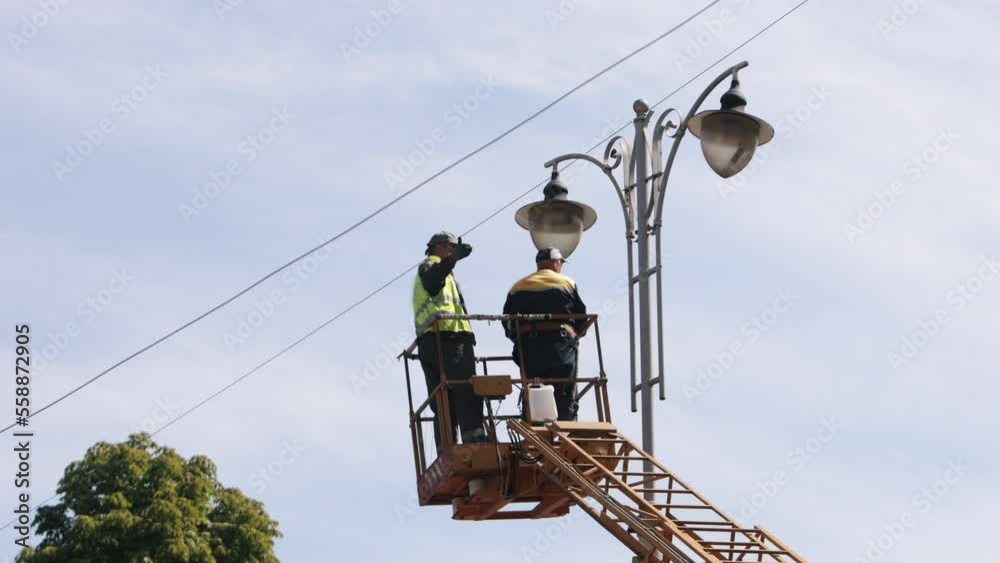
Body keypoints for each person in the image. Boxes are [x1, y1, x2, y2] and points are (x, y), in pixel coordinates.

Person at [413, 231, 486, 449]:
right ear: (440, 247)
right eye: (452, 248)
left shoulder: (442, 271)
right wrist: (452, 260)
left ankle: (446, 448)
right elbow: (432, 280)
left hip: (432, 343)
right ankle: (475, 442)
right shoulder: (430, 266)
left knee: (442, 399)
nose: (454, 252)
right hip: (449, 339)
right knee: (466, 388)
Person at [502, 247, 587, 421]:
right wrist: (574, 334)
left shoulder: (518, 287)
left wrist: (520, 339)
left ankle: (536, 423)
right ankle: (566, 430)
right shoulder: (567, 283)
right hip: (561, 349)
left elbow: (508, 323)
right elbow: (582, 320)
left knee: (535, 391)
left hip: (530, 352)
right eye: (561, 263)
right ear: (556, 262)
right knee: (565, 395)